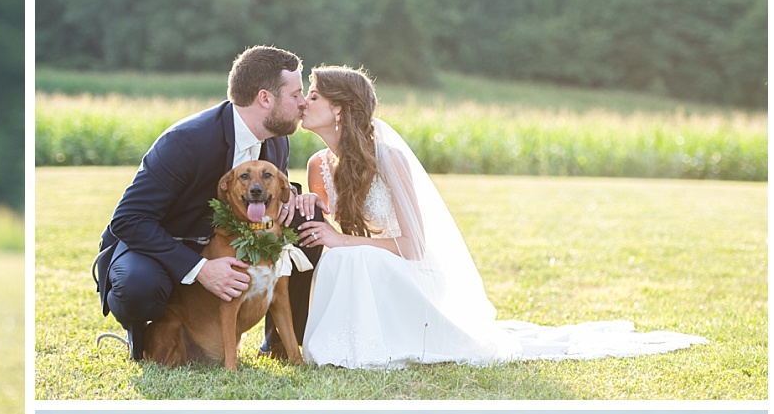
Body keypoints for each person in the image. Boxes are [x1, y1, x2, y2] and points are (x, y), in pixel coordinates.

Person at [294, 65, 706, 367]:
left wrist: (345, 241)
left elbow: (415, 247)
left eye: (313, 95)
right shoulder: (316, 165)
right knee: (342, 256)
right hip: (370, 272)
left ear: (341, 110)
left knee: (348, 254)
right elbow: (329, 235)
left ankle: (360, 346)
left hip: (410, 273)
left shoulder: (388, 159)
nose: (303, 103)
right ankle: (336, 344)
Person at [91, 44, 318, 362]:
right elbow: (128, 219)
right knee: (137, 286)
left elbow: (258, 187)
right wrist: (200, 269)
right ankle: (143, 337)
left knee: (311, 221)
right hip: (159, 245)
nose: (304, 102)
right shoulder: (185, 142)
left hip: (220, 243)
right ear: (265, 98)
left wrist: (294, 194)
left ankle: (278, 342)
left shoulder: (276, 138)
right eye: (296, 94)